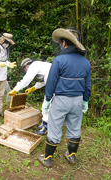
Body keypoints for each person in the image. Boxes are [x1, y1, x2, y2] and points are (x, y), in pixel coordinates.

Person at [37, 28, 91, 167]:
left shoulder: (59, 60)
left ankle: (47, 158)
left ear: (65, 43)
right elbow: (87, 85)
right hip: (78, 100)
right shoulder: (85, 62)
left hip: (61, 100)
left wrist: (47, 100)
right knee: (74, 128)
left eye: (61, 42)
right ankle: (71, 155)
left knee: (55, 128)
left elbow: (51, 82)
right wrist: (85, 100)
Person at [8, 58, 52, 135]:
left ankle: (46, 127)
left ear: (26, 65)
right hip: (53, 85)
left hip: (56, 87)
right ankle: (45, 123)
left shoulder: (34, 65)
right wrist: (34, 88)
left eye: (24, 69)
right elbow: (44, 81)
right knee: (46, 106)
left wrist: (16, 89)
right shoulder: (41, 66)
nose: (25, 71)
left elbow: (26, 80)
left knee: (49, 107)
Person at [0, 32, 17, 120]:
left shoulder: (6, 50)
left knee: (1, 94)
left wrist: (9, 64)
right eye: (6, 42)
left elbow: (5, 61)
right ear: (2, 41)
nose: (7, 44)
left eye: (8, 43)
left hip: (3, 75)